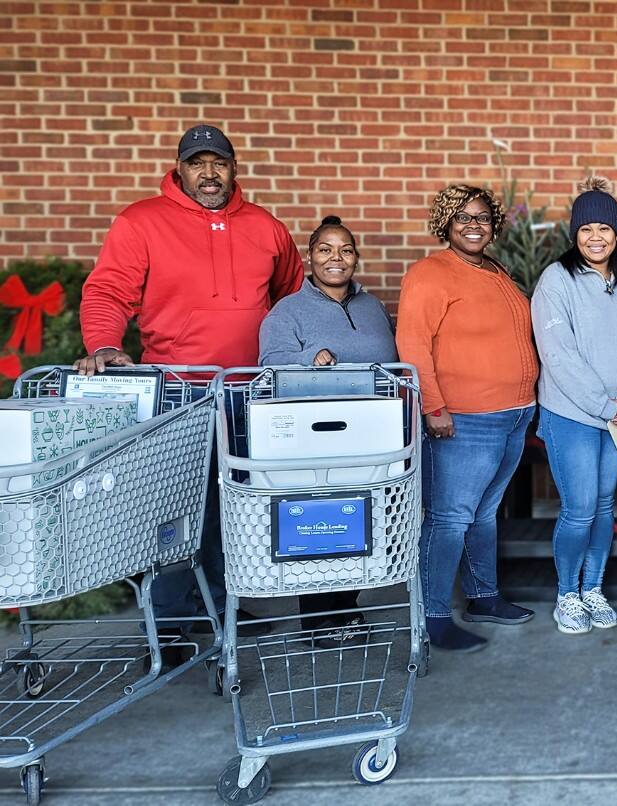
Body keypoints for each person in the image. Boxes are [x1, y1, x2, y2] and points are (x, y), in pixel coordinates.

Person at [75, 124, 303, 645]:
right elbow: (108, 291)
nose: (208, 173)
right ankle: (173, 625)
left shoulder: (266, 227)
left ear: (233, 169)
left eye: (218, 163)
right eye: (197, 163)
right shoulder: (142, 222)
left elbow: (292, 297)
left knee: (233, 506)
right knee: (173, 509)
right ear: (179, 169)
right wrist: (105, 345)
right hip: (179, 392)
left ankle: (224, 607)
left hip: (250, 391)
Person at [397, 185, 540, 653]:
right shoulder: (430, 273)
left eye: (481, 216)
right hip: (463, 419)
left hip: (514, 415)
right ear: (446, 224)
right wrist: (433, 407)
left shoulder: (496, 271)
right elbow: (414, 345)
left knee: (483, 514)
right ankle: (432, 615)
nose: (473, 224)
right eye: (462, 217)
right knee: (448, 519)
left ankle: (483, 596)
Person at [258, 215, 396, 645]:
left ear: (355, 258)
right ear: (310, 258)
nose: (336, 258)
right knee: (324, 521)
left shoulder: (372, 307)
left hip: (372, 436)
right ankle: (318, 621)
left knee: (363, 519)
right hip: (316, 437)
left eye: (345, 250)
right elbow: (268, 364)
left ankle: (345, 610)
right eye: (325, 250)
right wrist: (308, 359)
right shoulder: (289, 311)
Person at [531, 177, 617, 636]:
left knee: (602, 506)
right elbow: (557, 354)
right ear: (574, 235)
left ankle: (594, 588)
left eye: (604, 228)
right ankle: (567, 594)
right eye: (585, 229)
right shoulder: (556, 280)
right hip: (572, 416)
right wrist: (603, 404)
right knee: (578, 507)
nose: (595, 237)